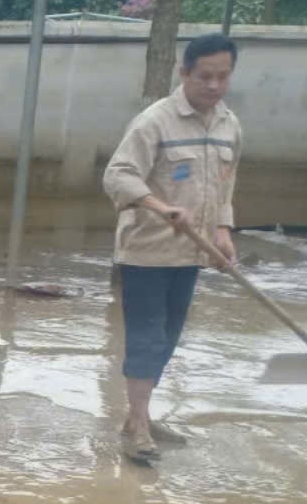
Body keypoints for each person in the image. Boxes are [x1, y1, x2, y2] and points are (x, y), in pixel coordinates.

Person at [103, 33, 242, 464]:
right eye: (205, 76)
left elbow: (225, 186)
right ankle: (139, 427)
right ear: (185, 73)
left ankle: (137, 415)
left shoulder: (228, 126)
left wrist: (223, 231)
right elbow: (119, 175)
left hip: (192, 255)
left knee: (167, 339)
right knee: (146, 338)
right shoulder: (154, 122)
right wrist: (160, 207)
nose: (214, 86)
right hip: (147, 251)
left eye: (223, 77)